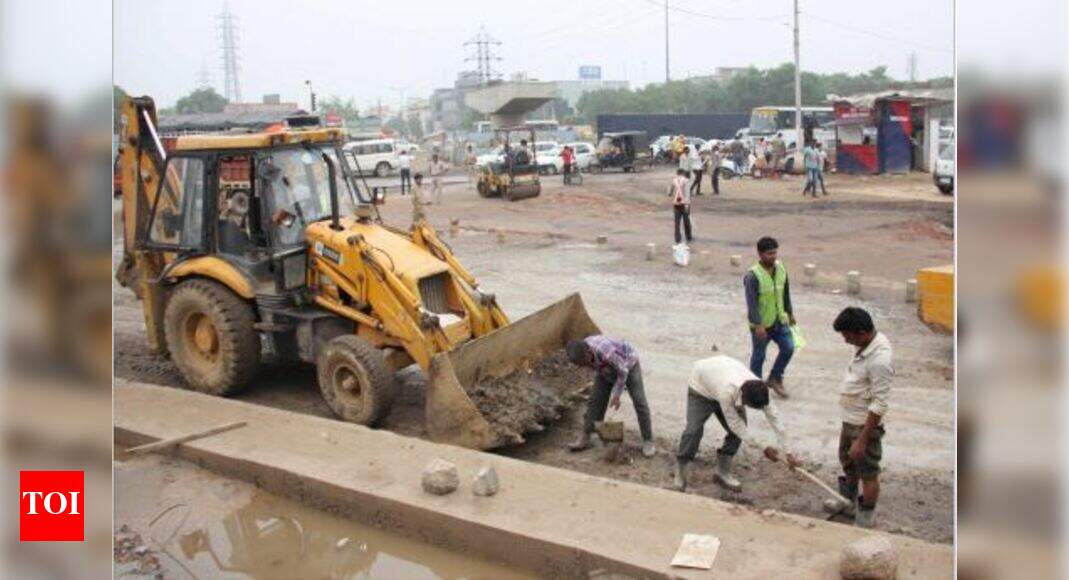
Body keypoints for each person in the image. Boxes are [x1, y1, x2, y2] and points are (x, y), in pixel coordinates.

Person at [671, 354, 801, 492]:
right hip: (701, 386)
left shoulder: (760, 388)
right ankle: (681, 469)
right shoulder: (727, 393)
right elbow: (736, 426)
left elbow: (776, 418)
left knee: (737, 435)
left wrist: (788, 452)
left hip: (722, 375)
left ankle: (722, 471)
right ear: (744, 399)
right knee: (693, 431)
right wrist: (764, 448)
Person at [823, 307, 892, 528]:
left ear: (861, 332)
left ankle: (865, 517)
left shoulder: (880, 359)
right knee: (848, 463)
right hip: (850, 420)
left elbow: (880, 404)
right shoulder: (865, 345)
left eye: (847, 336)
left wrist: (862, 440)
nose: (845, 340)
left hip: (864, 426)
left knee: (868, 473)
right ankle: (847, 502)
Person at [565, 336, 656, 457]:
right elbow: (598, 369)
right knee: (595, 401)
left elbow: (623, 371)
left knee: (639, 401)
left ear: (588, 353)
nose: (583, 366)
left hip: (628, 364)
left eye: (583, 363)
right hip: (604, 368)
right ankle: (585, 437)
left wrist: (616, 395)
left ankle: (648, 441)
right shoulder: (582, 349)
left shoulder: (606, 352)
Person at [744, 236, 795, 398]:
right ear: (760, 254)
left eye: (775, 253)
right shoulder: (753, 276)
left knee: (789, 348)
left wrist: (790, 312)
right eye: (769, 253)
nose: (773, 256)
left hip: (780, 321)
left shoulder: (780, 269)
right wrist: (758, 325)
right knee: (759, 356)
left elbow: (785, 292)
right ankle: (754, 388)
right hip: (762, 325)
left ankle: (775, 378)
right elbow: (751, 302)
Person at [668, 168, 693, 244]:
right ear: (683, 173)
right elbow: (687, 193)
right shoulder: (686, 181)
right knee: (686, 221)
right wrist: (687, 204)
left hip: (676, 204)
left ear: (677, 173)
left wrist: (670, 193)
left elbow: (669, 192)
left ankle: (677, 239)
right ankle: (688, 237)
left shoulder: (674, 181)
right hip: (684, 203)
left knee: (677, 222)